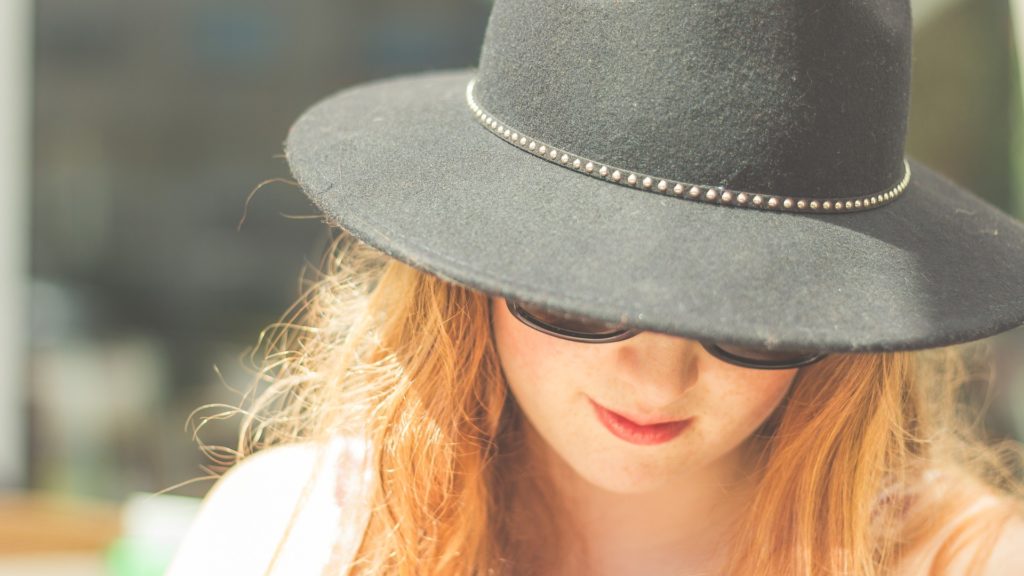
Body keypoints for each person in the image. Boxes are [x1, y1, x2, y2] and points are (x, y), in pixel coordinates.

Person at [167, 0, 1024, 574]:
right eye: (581, 295)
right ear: (469, 277)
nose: (657, 377)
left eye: (752, 314)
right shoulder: (303, 538)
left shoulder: (963, 561)